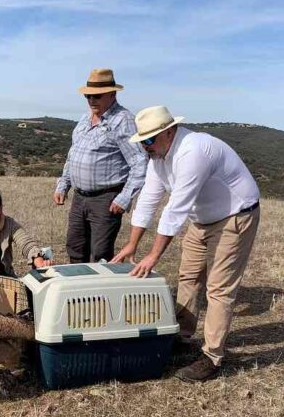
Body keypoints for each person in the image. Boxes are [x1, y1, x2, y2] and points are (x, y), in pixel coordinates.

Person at [111, 106, 261, 382]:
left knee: (218, 288)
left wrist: (153, 255)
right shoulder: (158, 156)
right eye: (141, 141)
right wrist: (132, 245)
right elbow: (148, 200)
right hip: (201, 218)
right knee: (188, 277)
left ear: (169, 132)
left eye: (149, 140)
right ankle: (181, 336)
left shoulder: (193, 152)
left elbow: (175, 210)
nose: (145, 147)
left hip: (234, 216)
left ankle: (212, 357)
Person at [53, 68, 147, 263]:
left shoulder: (123, 120)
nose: (91, 100)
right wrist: (64, 184)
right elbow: (73, 155)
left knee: (100, 254)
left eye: (97, 96)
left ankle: (97, 292)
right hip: (80, 197)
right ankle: (76, 290)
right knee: (75, 247)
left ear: (113, 94)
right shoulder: (84, 119)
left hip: (106, 199)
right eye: (88, 96)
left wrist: (124, 198)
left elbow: (139, 162)